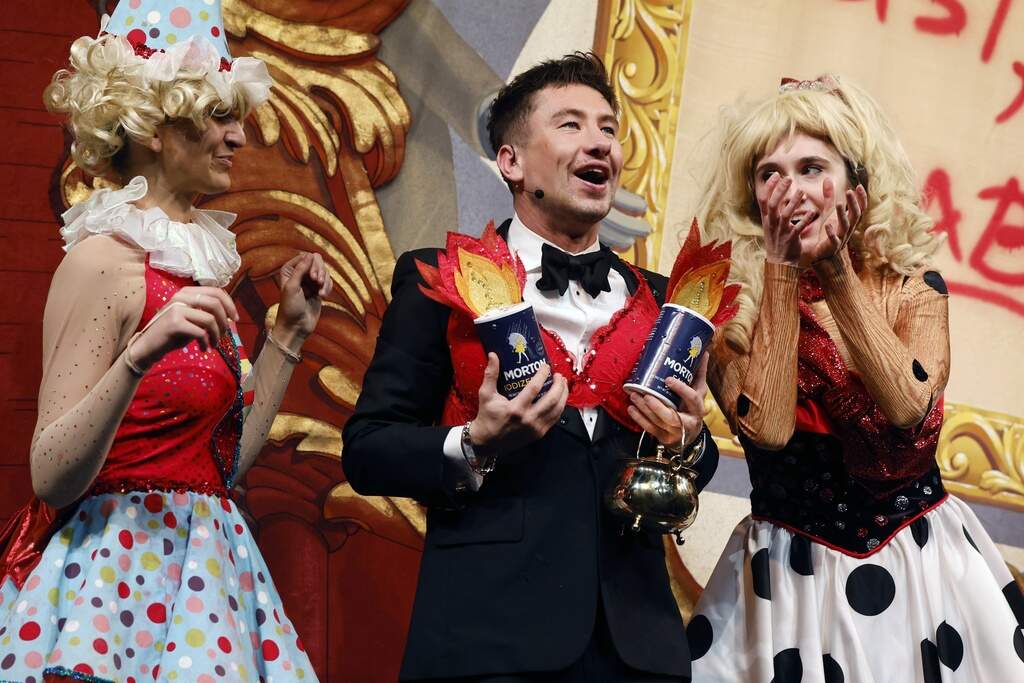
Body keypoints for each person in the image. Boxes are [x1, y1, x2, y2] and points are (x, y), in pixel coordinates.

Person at [342, 52, 719, 682]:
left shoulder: (662, 301)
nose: (598, 141)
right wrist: (475, 441)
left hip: (637, 648)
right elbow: (368, 450)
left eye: (607, 127)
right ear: (511, 162)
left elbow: (690, 466)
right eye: (570, 125)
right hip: (487, 641)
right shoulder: (440, 280)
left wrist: (691, 439)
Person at [0, 1, 328, 680]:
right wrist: (136, 356)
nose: (239, 136)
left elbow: (222, 467)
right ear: (152, 126)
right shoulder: (101, 261)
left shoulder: (197, 265)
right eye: (216, 115)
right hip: (117, 581)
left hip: (207, 570)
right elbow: (50, 474)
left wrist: (287, 335)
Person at [689, 75, 1024, 681]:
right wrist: (782, 273)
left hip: (924, 565)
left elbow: (906, 407)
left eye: (812, 167)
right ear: (752, 197)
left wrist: (838, 274)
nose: (791, 191)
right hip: (789, 580)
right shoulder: (730, 306)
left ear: (856, 187)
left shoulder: (913, 288)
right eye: (771, 174)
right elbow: (765, 428)